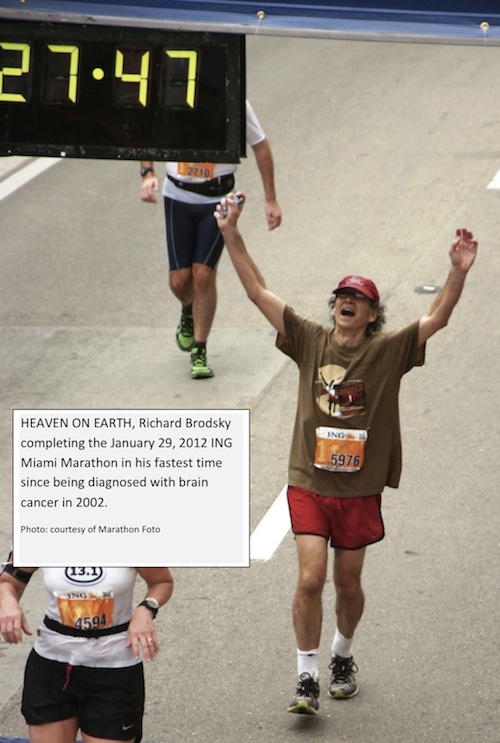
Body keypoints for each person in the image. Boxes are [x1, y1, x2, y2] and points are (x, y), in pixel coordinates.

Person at [214, 193, 478, 715]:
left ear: (372, 313)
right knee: (311, 577)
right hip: (308, 481)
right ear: (333, 306)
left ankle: (342, 655)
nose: (346, 301)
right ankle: (306, 676)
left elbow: (438, 319)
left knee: (347, 583)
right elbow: (256, 292)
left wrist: (458, 272)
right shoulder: (309, 339)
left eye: (357, 297)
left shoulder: (388, 351)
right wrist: (230, 233)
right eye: (340, 295)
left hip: (359, 487)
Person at [139, 99, 282, 380]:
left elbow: (261, 145)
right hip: (177, 196)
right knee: (180, 281)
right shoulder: (173, 93)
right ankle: (187, 310)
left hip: (218, 197)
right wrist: (147, 173)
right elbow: (147, 130)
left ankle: (200, 348)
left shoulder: (234, 99)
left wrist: (271, 200)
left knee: (203, 274)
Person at [0, 559, 174, 742]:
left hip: (113, 670)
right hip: (51, 666)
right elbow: (8, 582)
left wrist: (146, 610)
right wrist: (8, 603)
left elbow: (162, 582)